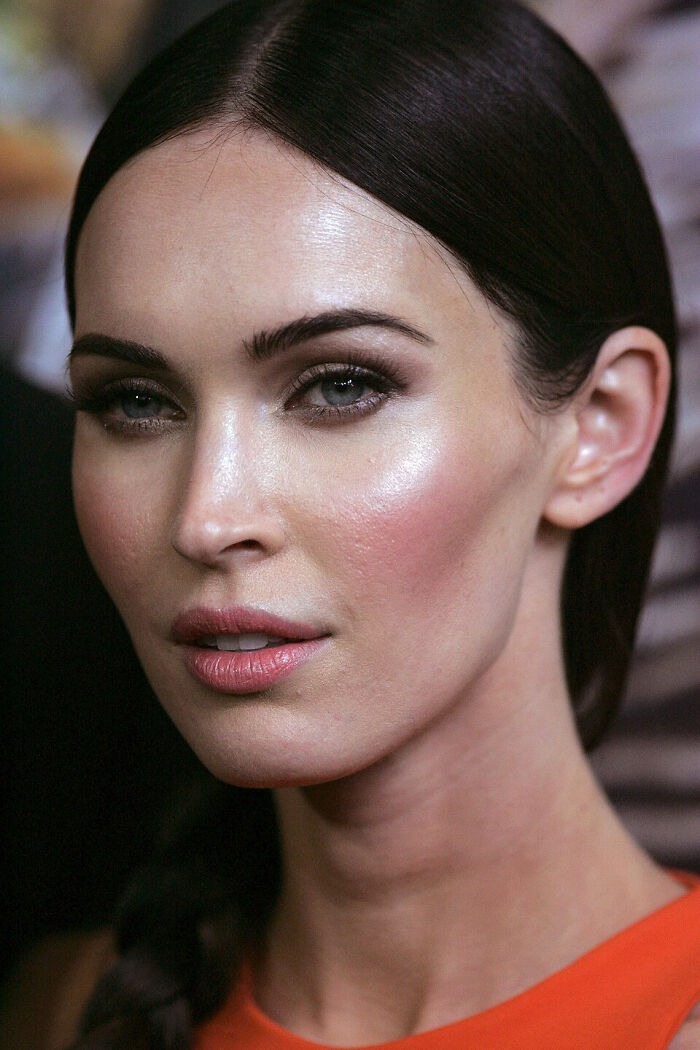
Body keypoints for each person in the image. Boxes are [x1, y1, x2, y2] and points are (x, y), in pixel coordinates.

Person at [4, 1, 700, 1047]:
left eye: (338, 385)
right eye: (135, 401)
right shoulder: (64, 1009)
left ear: (600, 426)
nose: (207, 516)